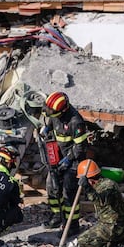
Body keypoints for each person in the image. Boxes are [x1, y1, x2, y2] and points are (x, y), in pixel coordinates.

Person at [41, 92, 89, 234]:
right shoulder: (56, 114)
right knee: (51, 186)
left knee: (69, 192)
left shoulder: (75, 122)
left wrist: (68, 159)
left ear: (63, 110)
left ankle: (72, 225)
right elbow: (52, 119)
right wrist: (47, 128)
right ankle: (57, 215)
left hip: (73, 160)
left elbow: (81, 147)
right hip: (58, 155)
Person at [75, 159, 124, 247]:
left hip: (113, 225)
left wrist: (88, 188)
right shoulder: (102, 184)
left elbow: (102, 201)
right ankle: (121, 239)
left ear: (90, 180)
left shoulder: (107, 186)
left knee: (82, 240)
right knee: (90, 234)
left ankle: (114, 246)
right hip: (112, 223)